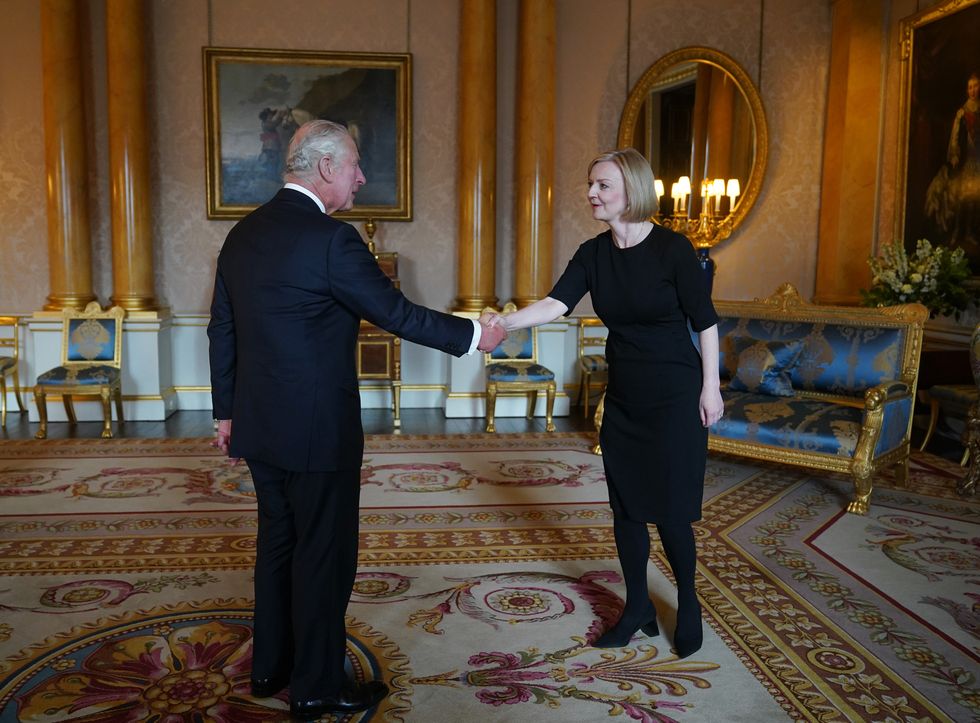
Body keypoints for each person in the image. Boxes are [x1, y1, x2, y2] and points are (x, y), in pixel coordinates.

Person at [208, 119, 506, 720]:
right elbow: (396, 313)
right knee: (323, 556)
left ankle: (271, 669)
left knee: (278, 546)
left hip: (259, 425)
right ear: (323, 169)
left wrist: (225, 411)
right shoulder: (333, 241)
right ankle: (317, 687)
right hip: (319, 433)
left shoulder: (241, 234)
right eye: (354, 165)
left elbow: (222, 328)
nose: (361, 177)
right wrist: (478, 334)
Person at [485, 148, 723, 658]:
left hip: (677, 395)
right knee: (628, 509)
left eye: (602, 185)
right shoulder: (593, 253)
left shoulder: (673, 250)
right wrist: (503, 322)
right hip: (626, 399)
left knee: (673, 512)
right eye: (590, 184)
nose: (591, 193)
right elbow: (555, 304)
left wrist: (712, 388)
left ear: (631, 190)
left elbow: (705, 322)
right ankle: (637, 605)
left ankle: (689, 600)